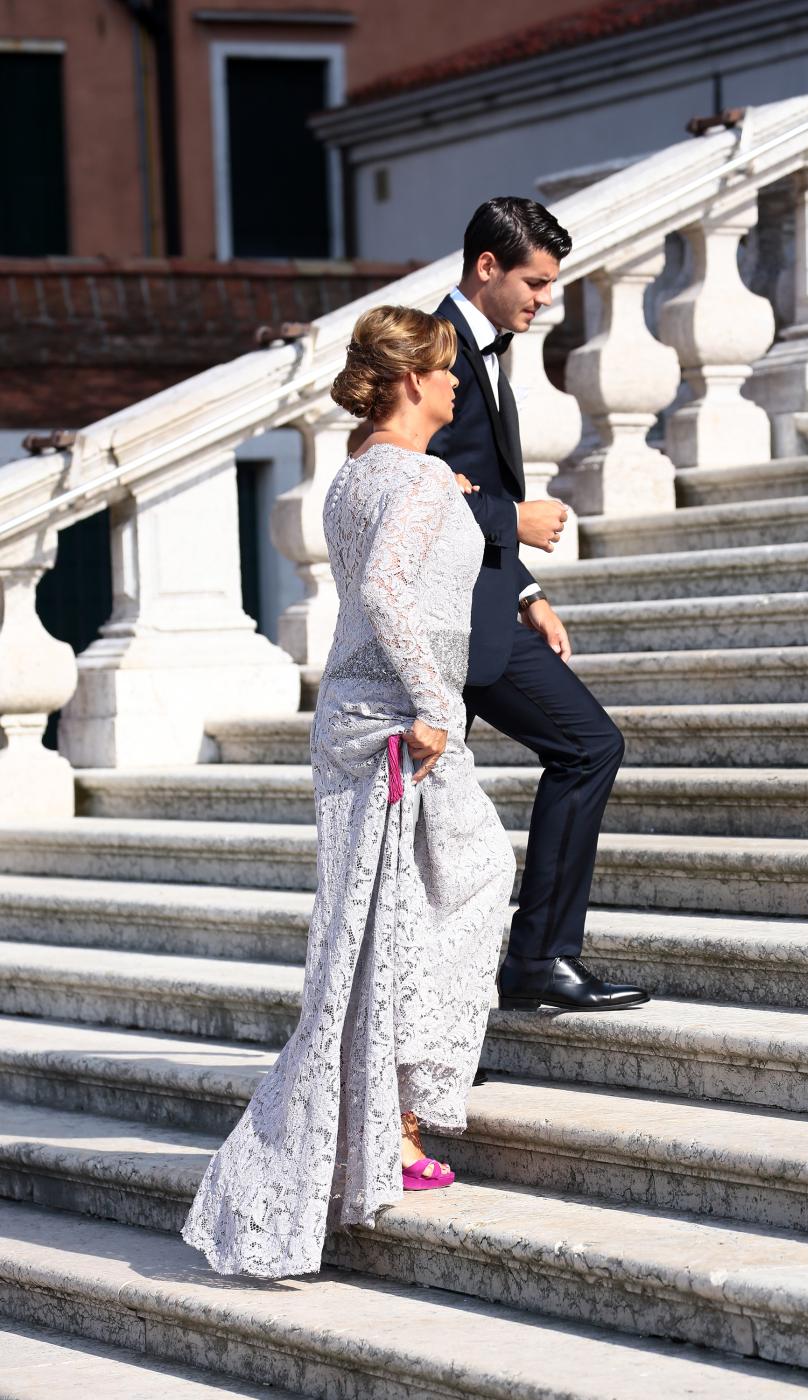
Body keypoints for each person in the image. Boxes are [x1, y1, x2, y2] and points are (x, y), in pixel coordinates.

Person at [182, 306, 517, 1279]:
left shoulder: (360, 473)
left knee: (382, 930)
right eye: (447, 372)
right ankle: (384, 1124)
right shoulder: (410, 476)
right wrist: (433, 705)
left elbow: (389, 565)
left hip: (362, 717)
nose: (458, 387)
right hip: (397, 722)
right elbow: (383, 593)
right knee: (463, 882)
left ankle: (390, 1128)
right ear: (411, 378)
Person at [429, 197, 650, 1014]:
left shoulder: (490, 347)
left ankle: (511, 975)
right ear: (487, 265)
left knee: (438, 822)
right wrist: (508, 522)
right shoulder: (433, 351)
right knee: (587, 746)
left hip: (488, 605)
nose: (545, 300)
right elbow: (398, 485)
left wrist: (525, 588)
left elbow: (467, 478)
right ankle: (533, 962)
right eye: (535, 281)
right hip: (446, 624)